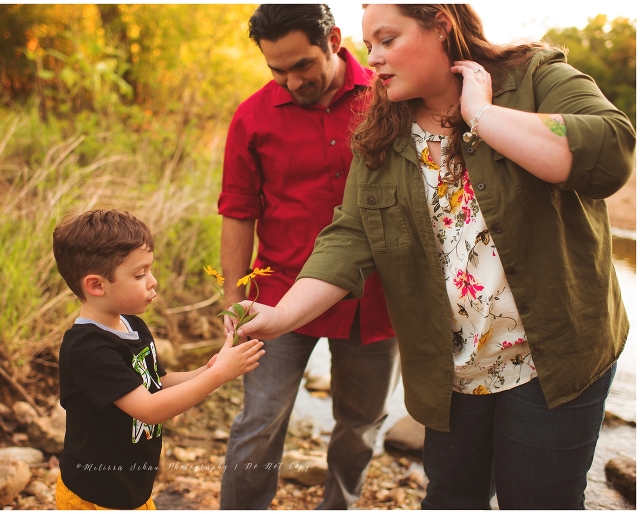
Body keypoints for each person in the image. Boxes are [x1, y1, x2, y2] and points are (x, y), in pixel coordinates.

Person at [228, 4, 635, 510]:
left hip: (554, 358)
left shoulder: (534, 76)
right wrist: (280, 315)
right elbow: (349, 237)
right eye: (369, 45)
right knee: (450, 498)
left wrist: (481, 115)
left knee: (538, 500)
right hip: (452, 372)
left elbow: (612, 151)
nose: (372, 58)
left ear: (441, 24)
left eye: (387, 40)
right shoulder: (380, 130)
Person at [218, 4, 400, 510]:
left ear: (335, 40)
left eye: (302, 65)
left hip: (374, 298)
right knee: (259, 421)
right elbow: (237, 213)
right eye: (277, 69)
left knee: (361, 425)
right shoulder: (251, 117)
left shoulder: (390, 97)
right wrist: (234, 302)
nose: (292, 80)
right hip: (278, 296)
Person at [51, 209, 265, 510]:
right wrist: (217, 378)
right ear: (97, 285)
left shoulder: (132, 324)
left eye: (150, 270)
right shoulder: (88, 349)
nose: (153, 282)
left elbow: (157, 383)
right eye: (139, 275)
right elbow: (148, 409)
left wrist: (208, 369)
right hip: (94, 495)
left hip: (132, 488)